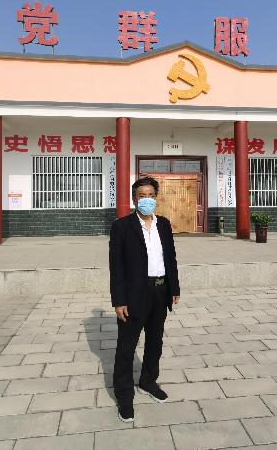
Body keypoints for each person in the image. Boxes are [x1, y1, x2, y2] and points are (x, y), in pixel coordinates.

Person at [109, 176, 181, 422]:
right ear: (134, 199)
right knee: (126, 347)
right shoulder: (122, 227)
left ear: (156, 198)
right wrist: (119, 300)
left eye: (151, 195)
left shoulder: (164, 225)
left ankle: (148, 381)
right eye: (142, 196)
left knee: (155, 342)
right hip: (134, 295)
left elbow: (170, 258)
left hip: (160, 291)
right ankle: (124, 396)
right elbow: (116, 267)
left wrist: (174, 288)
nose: (147, 200)